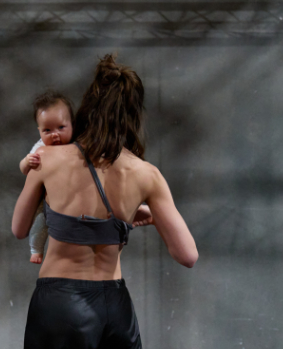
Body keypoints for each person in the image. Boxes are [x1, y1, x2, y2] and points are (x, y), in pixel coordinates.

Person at [12, 54, 198, 349]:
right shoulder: (147, 174)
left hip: (62, 302)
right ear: (133, 116)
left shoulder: (47, 158)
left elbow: (20, 229)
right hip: (116, 306)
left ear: (87, 109)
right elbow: (188, 256)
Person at [18, 90, 75, 264]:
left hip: (71, 195)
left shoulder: (77, 144)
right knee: (40, 222)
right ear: (39, 131)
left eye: (61, 128)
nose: (54, 134)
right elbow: (23, 169)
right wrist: (27, 162)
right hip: (46, 197)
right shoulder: (40, 147)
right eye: (47, 130)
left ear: (72, 125)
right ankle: (36, 248)